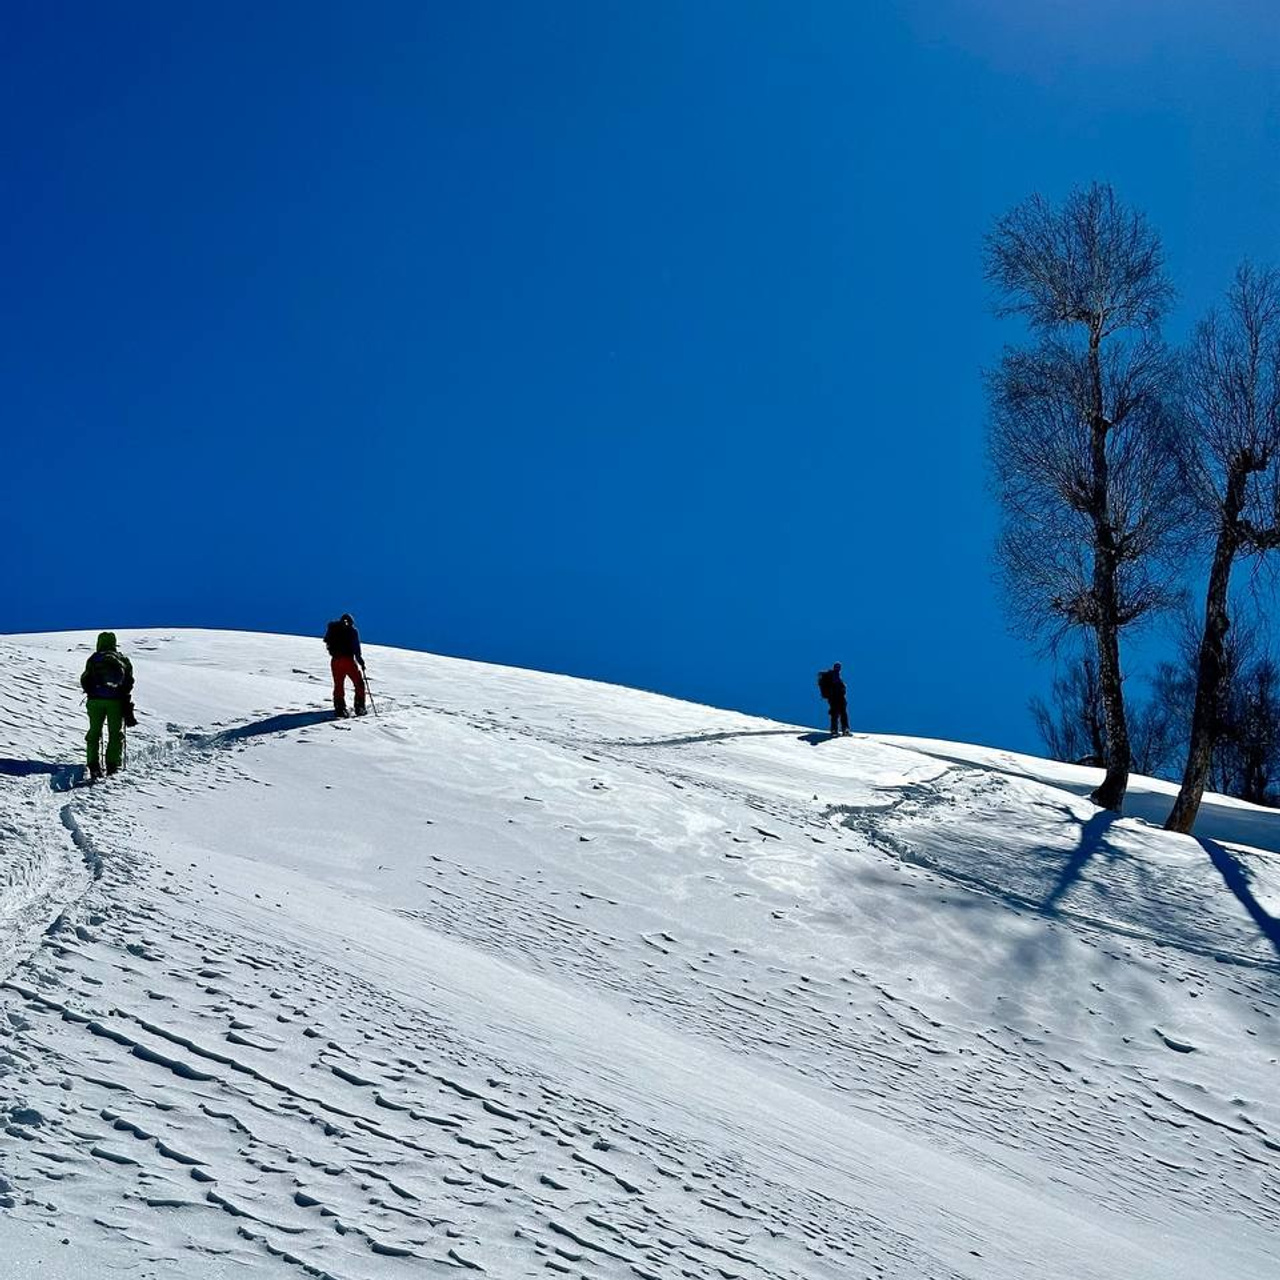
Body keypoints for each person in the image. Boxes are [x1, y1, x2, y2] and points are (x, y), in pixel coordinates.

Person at [80, 631, 135, 778]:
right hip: (115, 702)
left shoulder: (94, 659)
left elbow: (85, 678)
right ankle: (112, 765)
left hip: (95, 701)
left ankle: (93, 764)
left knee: (94, 732)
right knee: (115, 733)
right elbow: (129, 681)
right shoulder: (122, 659)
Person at [324, 613, 366, 717]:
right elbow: (356, 648)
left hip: (335, 661)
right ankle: (359, 706)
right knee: (359, 683)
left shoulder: (334, 629)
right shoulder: (352, 631)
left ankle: (339, 707)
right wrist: (361, 662)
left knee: (338, 684)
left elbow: (326, 641)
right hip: (348, 660)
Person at [817, 661, 850, 737]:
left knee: (841, 713)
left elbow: (841, 688)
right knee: (836, 713)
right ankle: (837, 729)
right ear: (834, 667)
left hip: (839, 697)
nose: (838, 668)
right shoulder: (831, 675)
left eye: (839, 667)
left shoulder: (837, 676)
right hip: (834, 697)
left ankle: (843, 729)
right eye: (837, 667)